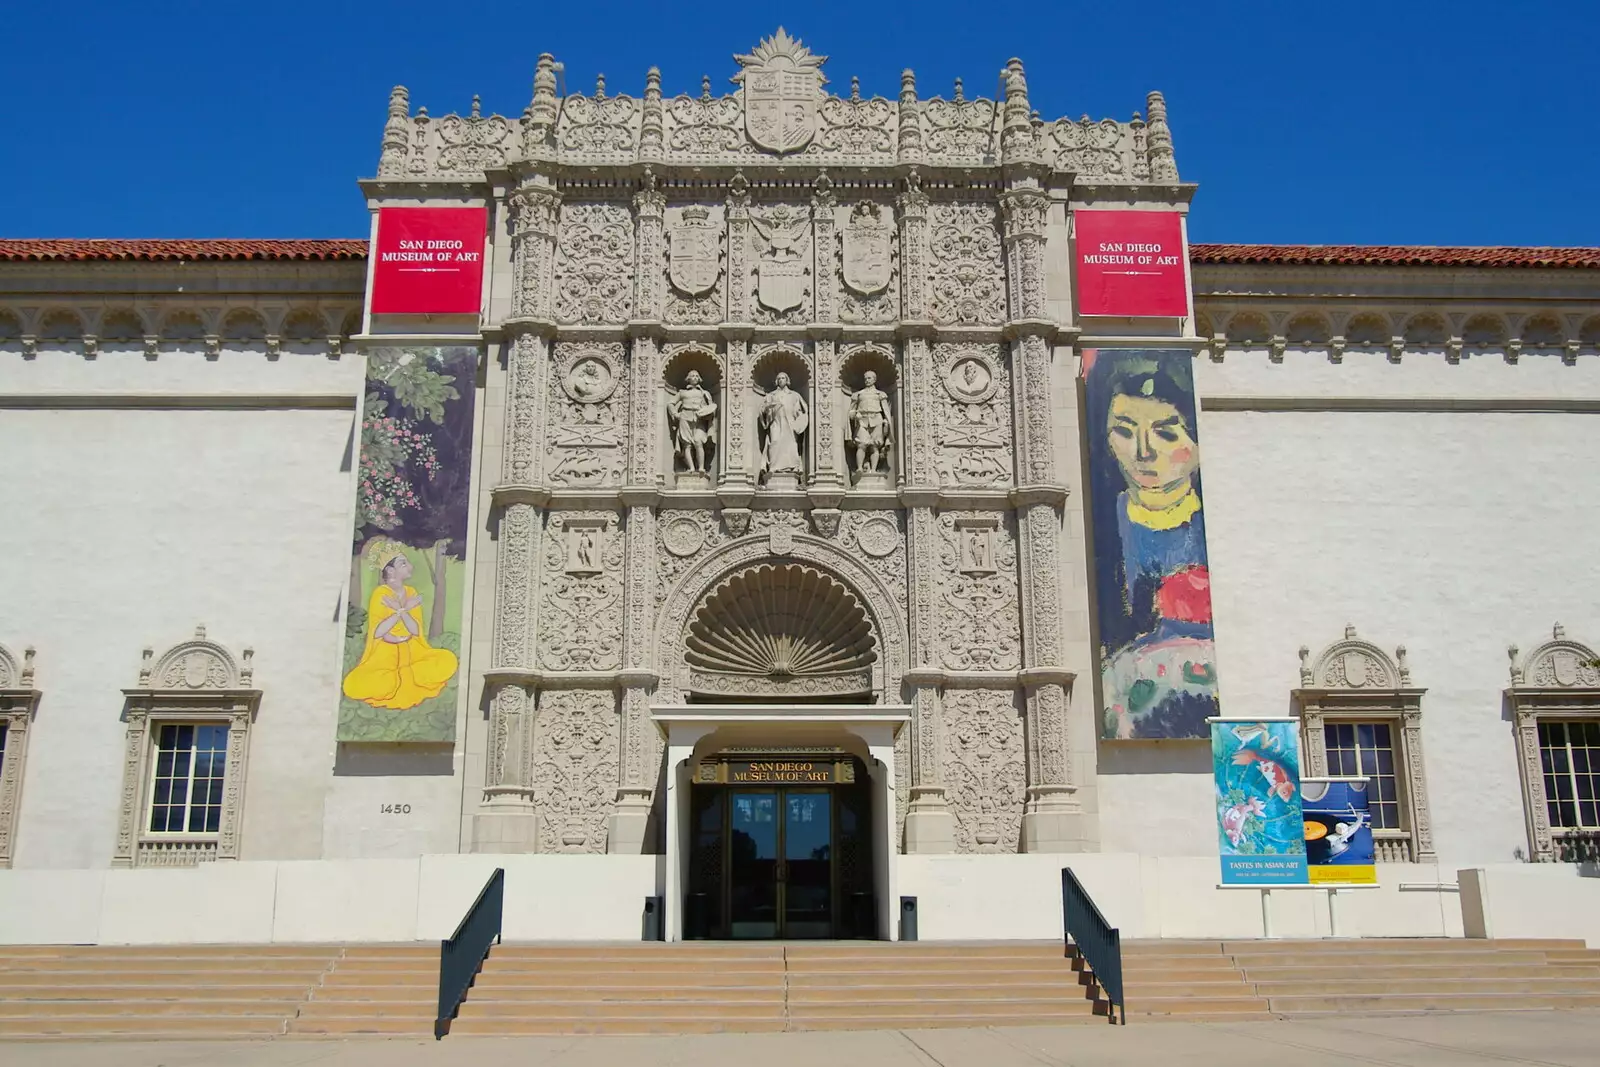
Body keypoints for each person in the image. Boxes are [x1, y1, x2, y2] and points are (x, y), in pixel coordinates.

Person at [1097, 357, 1217, 740]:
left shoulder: (1210, 527)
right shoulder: (1102, 527)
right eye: (1125, 431)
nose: (1143, 452)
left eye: (1167, 434)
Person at [343, 541, 458, 710]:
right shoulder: (380, 594)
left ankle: (406, 676)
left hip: (413, 650)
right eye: (403, 563)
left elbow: (415, 630)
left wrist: (402, 610)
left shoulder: (411, 593)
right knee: (362, 683)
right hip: (385, 653)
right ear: (390, 571)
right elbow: (378, 633)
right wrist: (399, 612)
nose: (409, 566)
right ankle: (398, 679)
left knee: (447, 660)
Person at [758, 372, 808, 481]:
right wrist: (768, 407)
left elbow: (803, 411)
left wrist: (799, 422)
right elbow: (762, 411)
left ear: (787, 380)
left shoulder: (794, 395)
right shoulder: (771, 396)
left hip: (790, 424)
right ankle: (773, 467)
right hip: (775, 423)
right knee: (774, 442)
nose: (781, 380)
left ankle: (792, 467)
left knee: (791, 444)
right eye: (779, 378)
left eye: (783, 378)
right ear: (776, 381)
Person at [669, 369, 717, 474]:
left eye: (696, 376)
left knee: (698, 441)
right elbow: (671, 403)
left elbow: (711, 407)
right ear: (688, 379)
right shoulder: (682, 393)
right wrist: (675, 414)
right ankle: (691, 468)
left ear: (699, 379)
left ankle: (701, 468)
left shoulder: (704, 393)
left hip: (699, 418)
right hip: (685, 417)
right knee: (687, 444)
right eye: (692, 376)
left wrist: (708, 413)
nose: (694, 377)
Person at [848, 370, 893, 477]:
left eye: (869, 378)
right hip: (862, 420)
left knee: (874, 445)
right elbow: (851, 411)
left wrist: (886, 420)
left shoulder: (880, 394)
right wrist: (854, 414)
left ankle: (873, 469)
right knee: (861, 444)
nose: (867, 380)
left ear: (874, 379)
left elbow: (885, 410)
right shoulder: (858, 395)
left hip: (876, 419)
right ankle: (859, 468)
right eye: (865, 378)